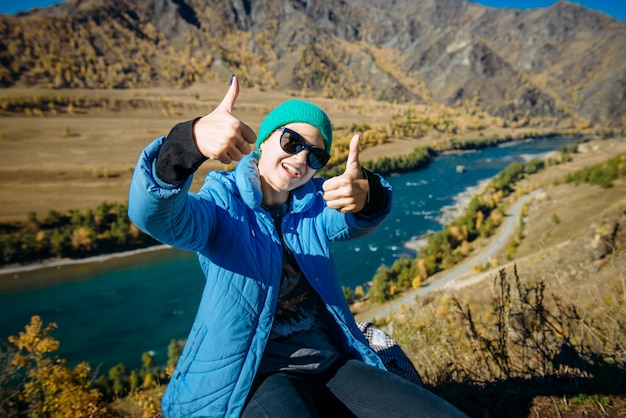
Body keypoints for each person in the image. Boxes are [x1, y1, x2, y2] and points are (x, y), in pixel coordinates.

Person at [128, 75, 467, 418]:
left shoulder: (315, 205)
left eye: (316, 155)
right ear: (264, 140)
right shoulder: (222, 206)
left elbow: (357, 218)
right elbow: (155, 217)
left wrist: (368, 195)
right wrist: (188, 143)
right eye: (292, 142)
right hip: (257, 375)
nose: (302, 158)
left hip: (329, 363)